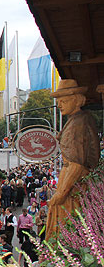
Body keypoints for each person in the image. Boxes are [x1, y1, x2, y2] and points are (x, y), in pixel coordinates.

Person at [48, 80, 99, 238]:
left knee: (65, 226)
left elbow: (76, 164)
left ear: (76, 100)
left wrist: (61, 193)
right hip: (76, 183)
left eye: (64, 101)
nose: (60, 105)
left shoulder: (78, 123)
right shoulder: (79, 119)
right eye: (58, 102)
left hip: (74, 186)